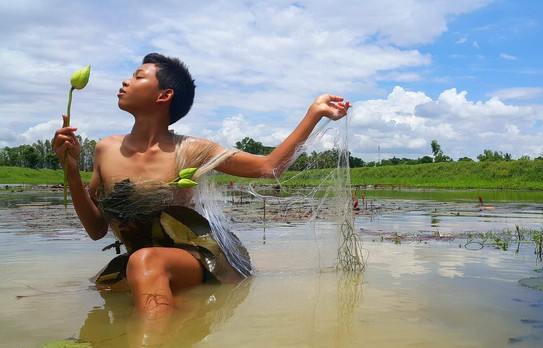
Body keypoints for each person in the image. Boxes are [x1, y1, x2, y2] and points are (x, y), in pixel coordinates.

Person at [52, 53, 350, 320]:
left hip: (194, 259)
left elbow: (267, 167)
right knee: (137, 269)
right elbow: (96, 229)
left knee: (145, 261)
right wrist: (72, 170)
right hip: (140, 265)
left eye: (138, 76)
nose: (125, 81)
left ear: (163, 95)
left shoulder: (192, 150)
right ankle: (175, 326)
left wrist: (314, 113)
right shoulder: (105, 149)